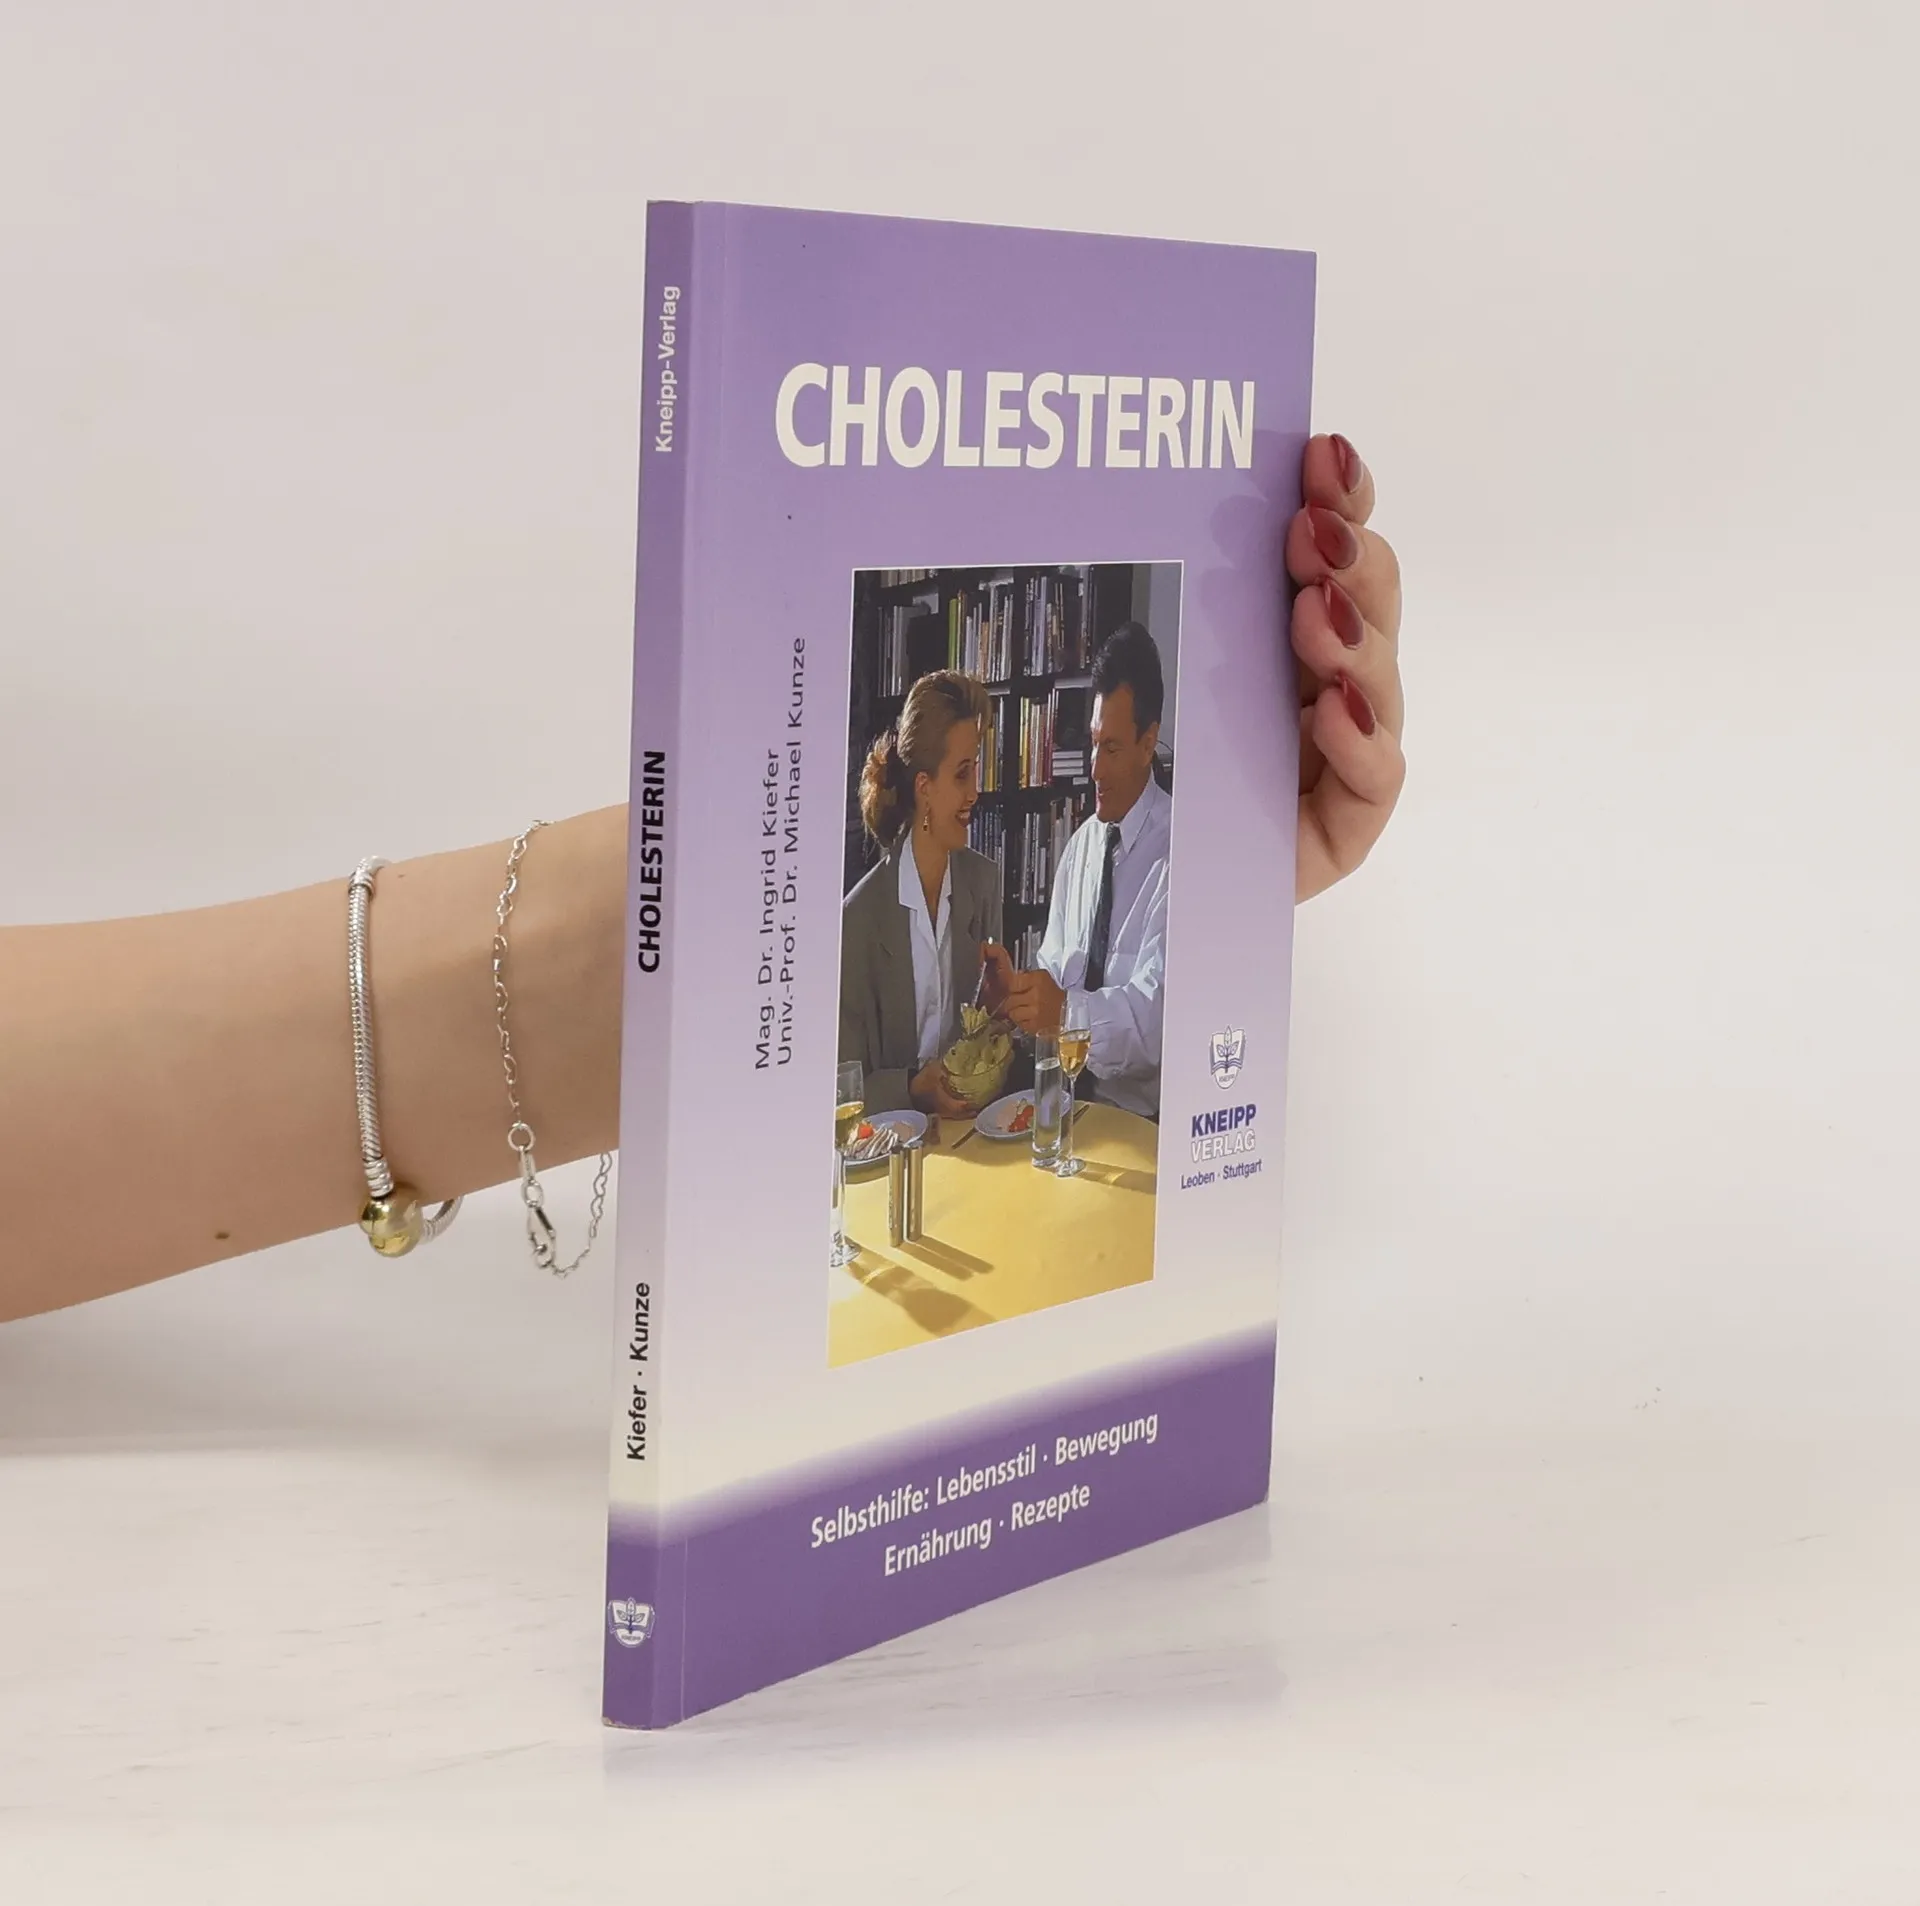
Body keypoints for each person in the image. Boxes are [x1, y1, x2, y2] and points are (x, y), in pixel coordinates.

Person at [0, 432, 1404, 1323]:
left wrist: (1027, 1018)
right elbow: (861, 1076)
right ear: (924, 781)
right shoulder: (871, 914)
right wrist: (648, 950)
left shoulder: (995, 885)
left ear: (1155, 744)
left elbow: (1081, 1017)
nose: (1029, 785)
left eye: (1101, 748)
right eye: (978, 773)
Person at [985, 621, 1170, 1119]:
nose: (1094, 769)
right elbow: (1056, 969)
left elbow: (1155, 1022)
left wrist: (1067, 1013)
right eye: (1093, 743)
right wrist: (1020, 996)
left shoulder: (1183, 857)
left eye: (1112, 748)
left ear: (1149, 742)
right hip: (1064, 1108)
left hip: (1141, 1124)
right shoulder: (1080, 847)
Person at [838, 670, 1001, 1119]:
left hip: (972, 1133)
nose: (975, 792)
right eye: (962, 774)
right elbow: (841, 1090)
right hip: (892, 1145)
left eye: (975, 770)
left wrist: (1002, 1009)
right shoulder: (858, 921)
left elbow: (989, 1049)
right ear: (924, 788)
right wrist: (911, 1088)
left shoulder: (983, 885)